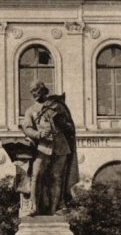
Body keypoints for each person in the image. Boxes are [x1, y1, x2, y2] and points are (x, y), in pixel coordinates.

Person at [21, 81, 79, 215]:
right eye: (33, 92)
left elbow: (70, 127)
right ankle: (33, 207)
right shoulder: (31, 110)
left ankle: (55, 208)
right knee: (36, 175)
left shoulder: (58, 107)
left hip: (61, 146)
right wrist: (38, 134)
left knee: (57, 177)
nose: (35, 94)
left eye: (38, 91)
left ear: (44, 91)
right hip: (42, 147)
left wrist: (62, 123)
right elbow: (27, 128)